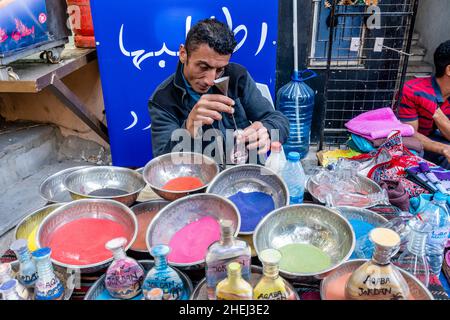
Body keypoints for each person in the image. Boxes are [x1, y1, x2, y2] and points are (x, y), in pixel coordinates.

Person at [148, 18, 289, 164]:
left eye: (220, 70)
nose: (210, 80)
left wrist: (267, 130)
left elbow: (280, 121)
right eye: (203, 67)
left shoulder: (237, 76)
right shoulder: (162, 100)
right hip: (200, 177)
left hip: (244, 171)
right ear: (183, 54)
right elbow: (162, 164)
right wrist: (188, 129)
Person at [398, 40, 450, 169]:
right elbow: (409, 134)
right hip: (417, 150)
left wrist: (438, 116)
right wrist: (443, 149)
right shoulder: (412, 90)